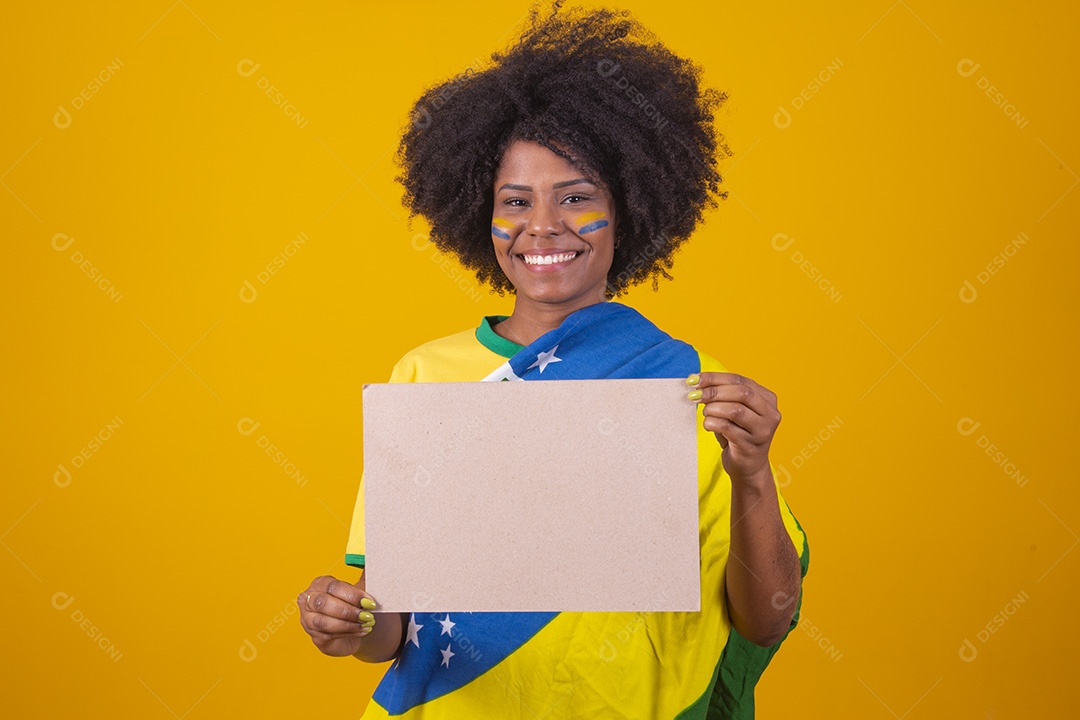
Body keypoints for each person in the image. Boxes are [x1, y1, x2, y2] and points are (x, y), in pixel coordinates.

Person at [298, 4, 809, 718]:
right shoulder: (425, 376)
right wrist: (343, 621)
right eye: (516, 201)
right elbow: (390, 633)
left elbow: (766, 619)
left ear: (628, 208)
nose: (544, 227)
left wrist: (751, 475)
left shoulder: (690, 387)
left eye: (576, 198)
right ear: (482, 213)